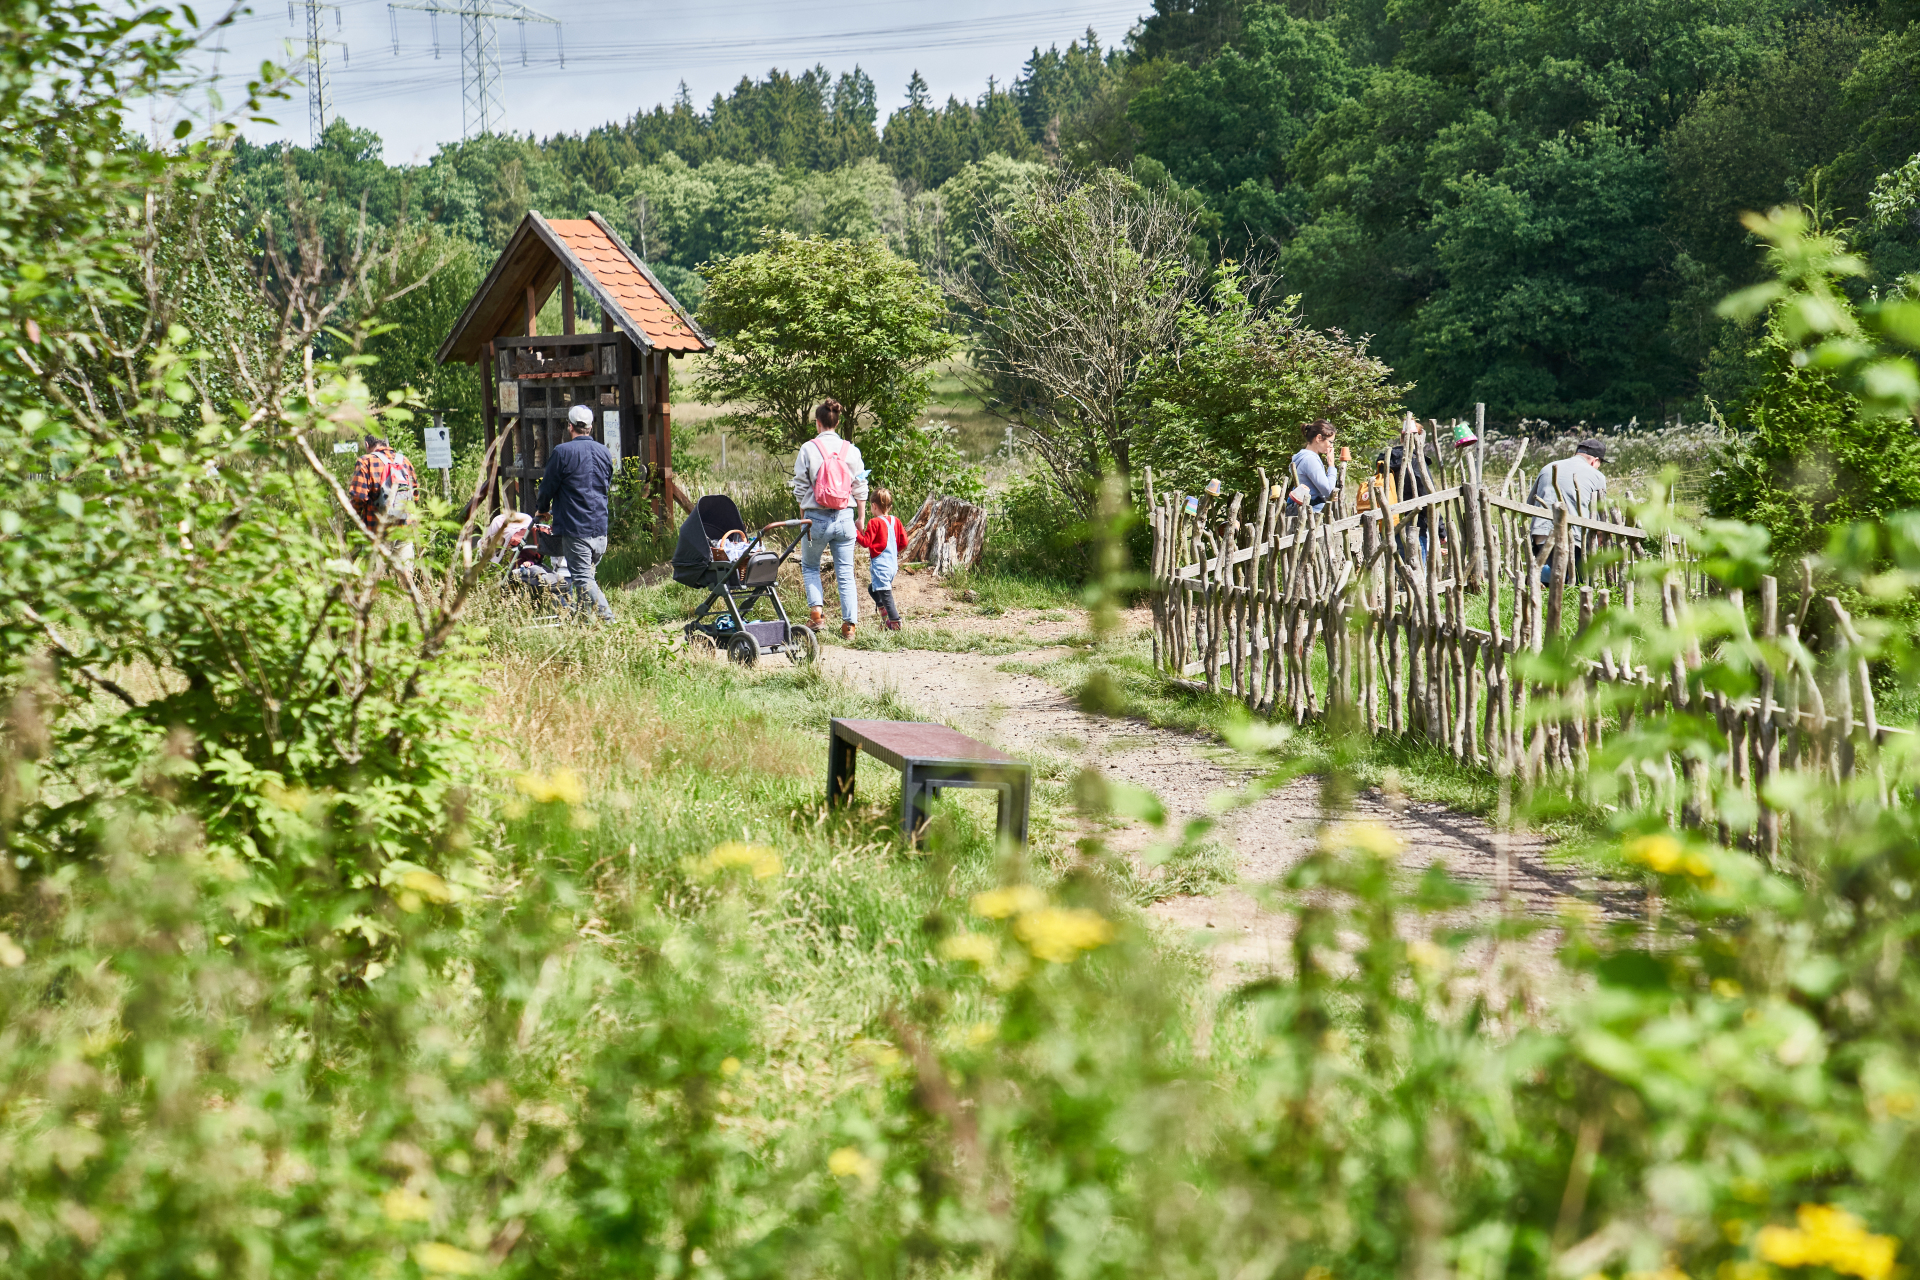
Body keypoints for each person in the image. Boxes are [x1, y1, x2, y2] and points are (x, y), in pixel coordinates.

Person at [790, 399, 868, 640]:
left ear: (818, 423)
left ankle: (816, 616)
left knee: (810, 565)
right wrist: (861, 518)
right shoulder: (851, 450)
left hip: (816, 519)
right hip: (845, 518)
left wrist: (804, 514)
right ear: (837, 422)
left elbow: (800, 488)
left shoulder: (808, 449)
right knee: (845, 572)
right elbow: (860, 486)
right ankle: (849, 627)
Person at [534, 403, 616, 623]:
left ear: (570, 427)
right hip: (600, 530)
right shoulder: (604, 452)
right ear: (590, 427)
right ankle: (582, 625)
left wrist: (542, 510)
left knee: (582, 579)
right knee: (587, 579)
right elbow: (604, 485)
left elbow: (547, 488)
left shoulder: (562, 452)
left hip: (576, 530)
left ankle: (611, 623)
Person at [1529, 437, 1607, 578]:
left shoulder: (1547, 468)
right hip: (1574, 538)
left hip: (1540, 534)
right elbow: (1601, 516)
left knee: (1547, 575)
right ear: (1594, 460)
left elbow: (1530, 506)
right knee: (1576, 581)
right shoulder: (1597, 476)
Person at [856, 487, 909, 632]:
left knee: (886, 596)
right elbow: (904, 542)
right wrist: (893, 550)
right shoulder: (895, 521)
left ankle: (895, 624)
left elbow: (866, 542)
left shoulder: (874, 522)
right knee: (873, 589)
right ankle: (886, 617)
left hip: (881, 566)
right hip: (892, 565)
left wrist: (855, 532)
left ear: (873, 506)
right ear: (889, 506)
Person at [347, 434, 419, 533]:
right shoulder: (405, 461)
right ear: (386, 443)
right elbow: (415, 495)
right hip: (404, 530)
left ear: (367, 444)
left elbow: (359, 497)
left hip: (377, 530)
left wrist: (355, 515)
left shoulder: (365, 461)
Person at [1288, 419, 1339, 513]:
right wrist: (1331, 465)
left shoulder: (1303, 456)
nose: (1331, 446)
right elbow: (1329, 491)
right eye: (1330, 442)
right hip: (1312, 514)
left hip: (1306, 513)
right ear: (1319, 438)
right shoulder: (1310, 460)